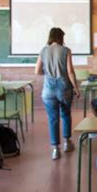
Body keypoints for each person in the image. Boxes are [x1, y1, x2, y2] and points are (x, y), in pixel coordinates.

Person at [35, 27, 80, 160]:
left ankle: (55, 149)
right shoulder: (66, 51)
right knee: (66, 114)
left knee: (52, 118)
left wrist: (48, 74)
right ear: (61, 37)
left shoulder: (43, 51)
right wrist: (76, 88)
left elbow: (37, 71)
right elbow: (70, 71)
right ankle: (67, 143)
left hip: (48, 90)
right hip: (64, 88)